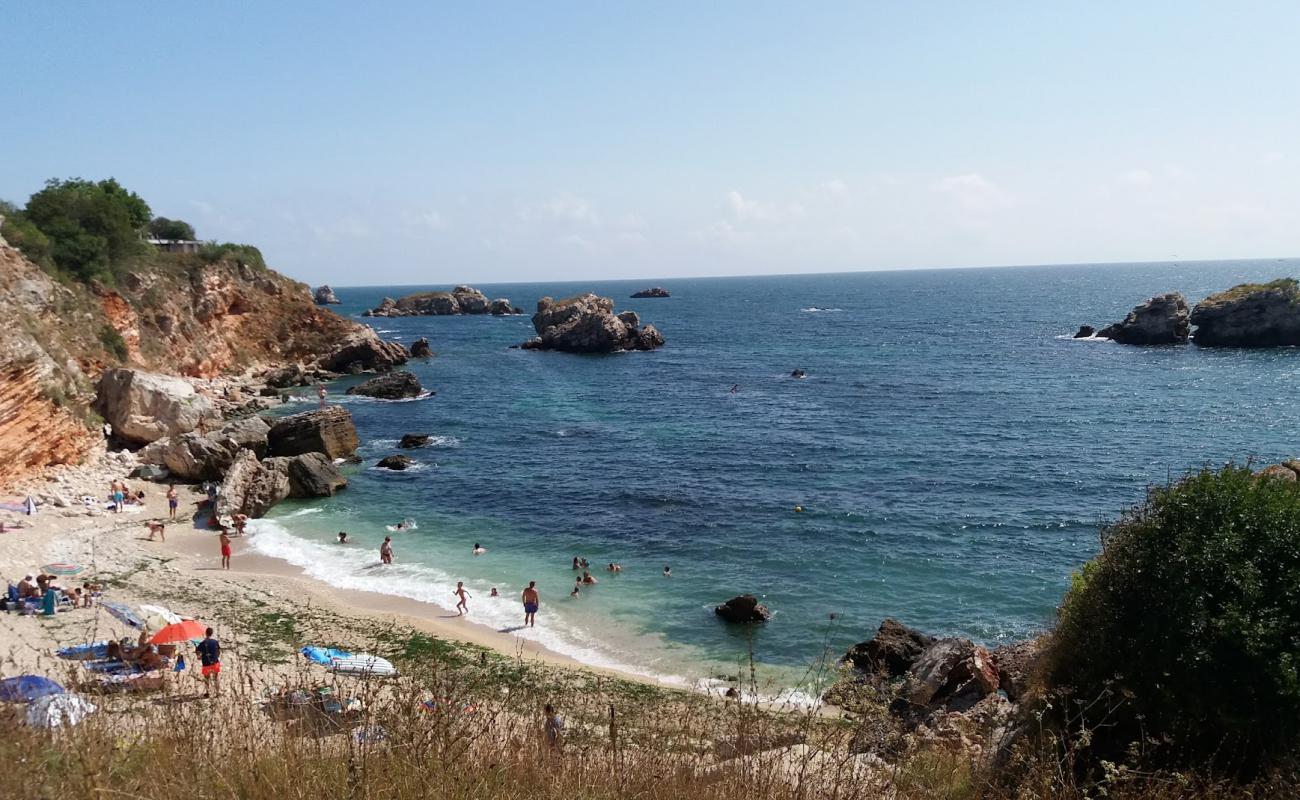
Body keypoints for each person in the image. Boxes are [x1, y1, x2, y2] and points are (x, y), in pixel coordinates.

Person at [196, 627, 221, 698]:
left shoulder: (202, 643)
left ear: (206, 633)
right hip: (215, 662)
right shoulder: (215, 642)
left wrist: (199, 657)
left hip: (206, 663)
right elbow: (218, 652)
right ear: (212, 633)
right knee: (216, 678)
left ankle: (207, 692)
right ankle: (217, 692)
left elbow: (197, 652)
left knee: (207, 678)